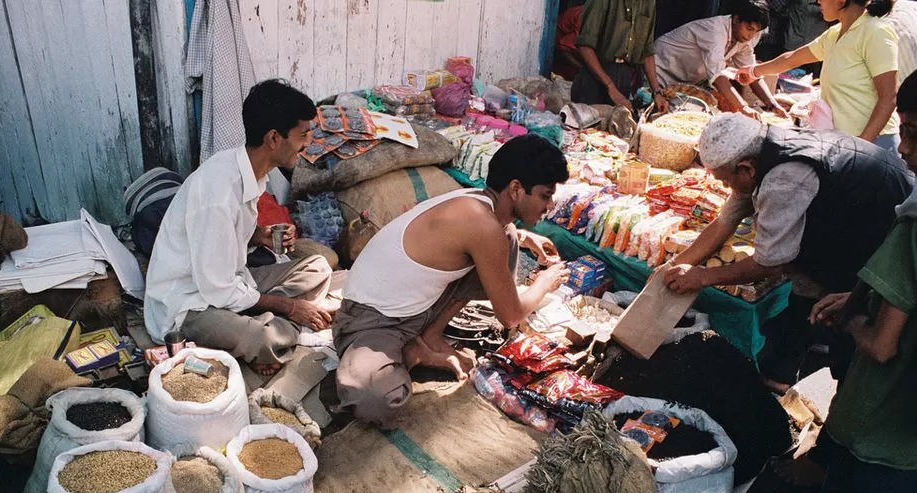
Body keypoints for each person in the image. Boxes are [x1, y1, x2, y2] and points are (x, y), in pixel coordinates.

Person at [781, 68, 917, 493]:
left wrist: (853, 317)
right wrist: (860, 297)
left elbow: (884, 344)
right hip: (903, 435)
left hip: (887, 429)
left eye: (911, 132)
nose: (904, 149)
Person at [333, 135, 571, 426]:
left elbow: (487, 237)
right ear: (516, 189)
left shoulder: (482, 206)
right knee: (377, 401)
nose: (548, 206)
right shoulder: (482, 224)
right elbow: (510, 316)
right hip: (372, 319)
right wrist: (545, 282)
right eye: (545, 196)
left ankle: (427, 339)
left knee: (507, 235)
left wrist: (523, 237)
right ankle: (411, 352)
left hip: (417, 309)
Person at [663, 112, 913, 389]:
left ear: (745, 168)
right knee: (801, 305)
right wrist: (673, 267)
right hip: (847, 217)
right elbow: (724, 223)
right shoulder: (761, 154)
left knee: (850, 320)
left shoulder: (784, 177)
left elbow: (769, 263)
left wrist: (702, 277)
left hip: (874, 228)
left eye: (725, 180)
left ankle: (842, 389)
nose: (725, 187)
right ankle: (780, 376)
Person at [144, 79, 334, 377]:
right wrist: (291, 307)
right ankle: (268, 332)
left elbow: (230, 244)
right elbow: (217, 288)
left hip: (232, 283)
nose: (306, 143)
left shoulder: (250, 171)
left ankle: (266, 327)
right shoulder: (218, 192)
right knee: (262, 339)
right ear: (274, 138)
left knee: (319, 267)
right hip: (189, 305)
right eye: (302, 135)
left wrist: (262, 236)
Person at [737, 0, 901, 150]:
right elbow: (791, 59)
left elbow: (889, 97)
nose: (818, 1)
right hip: (844, 143)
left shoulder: (875, 32)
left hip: (874, 144)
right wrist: (752, 72)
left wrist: (861, 146)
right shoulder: (834, 34)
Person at [654, 0, 787, 118]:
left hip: (683, 84)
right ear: (736, 19)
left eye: (756, 32)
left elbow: (752, 74)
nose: (751, 35)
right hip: (658, 73)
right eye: (749, 28)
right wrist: (743, 107)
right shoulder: (715, 30)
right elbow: (718, 76)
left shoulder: (742, 40)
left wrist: (772, 104)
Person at [571, 0, 669, 112]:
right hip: (595, 75)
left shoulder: (649, 3)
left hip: (624, 76)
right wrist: (610, 86)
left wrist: (656, 92)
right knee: (587, 125)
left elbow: (647, 51)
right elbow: (584, 47)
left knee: (617, 123)